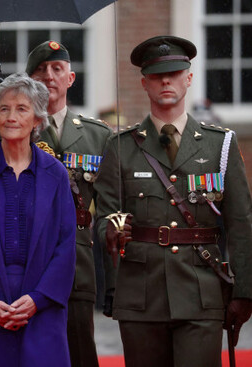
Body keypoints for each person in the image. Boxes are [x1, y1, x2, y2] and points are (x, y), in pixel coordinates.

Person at [94, 35, 252, 367]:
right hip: (140, 293)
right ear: (144, 83)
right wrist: (111, 230)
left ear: (189, 78)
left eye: (175, 72)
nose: (166, 80)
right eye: (156, 75)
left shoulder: (218, 145)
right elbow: (105, 216)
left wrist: (243, 291)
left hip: (201, 291)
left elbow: (241, 224)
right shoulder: (120, 146)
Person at [0, 40, 111, 367]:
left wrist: (39, 298)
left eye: (22, 109)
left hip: (52, 285)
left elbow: (71, 237)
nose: (12, 117)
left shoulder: (64, 165)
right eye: (5, 109)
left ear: (36, 119)